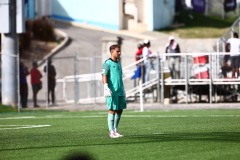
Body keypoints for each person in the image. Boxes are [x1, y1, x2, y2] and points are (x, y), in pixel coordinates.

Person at [101, 44, 127, 138]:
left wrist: (123, 90)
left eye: (120, 51)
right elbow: (104, 75)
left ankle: (115, 130)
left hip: (120, 90)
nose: (119, 53)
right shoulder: (107, 63)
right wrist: (106, 87)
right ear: (112, 52)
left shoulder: (119, 62)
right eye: (117, 51)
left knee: (120, 110)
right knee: (112, 109)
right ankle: (111, 132)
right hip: (112, 91)